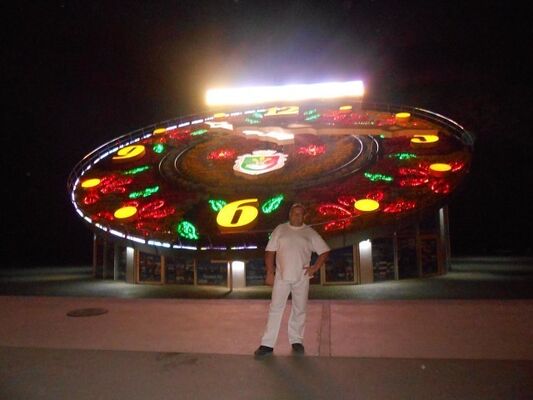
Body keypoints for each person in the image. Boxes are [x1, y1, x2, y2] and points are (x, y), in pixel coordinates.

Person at [254, 203, 330, 357]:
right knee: (275, 309)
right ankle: (267, 344)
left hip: (302, 278)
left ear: (304, 216)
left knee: (299, 309)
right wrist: (270, 272)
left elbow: (324, 251)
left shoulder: (310, 233)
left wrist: (315, 267)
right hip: (281, 277)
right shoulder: (280, 229)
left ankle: (296, 340)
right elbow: (270, 252)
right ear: (289, 214)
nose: (297, 216)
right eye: (294, 213)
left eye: (300, 214)